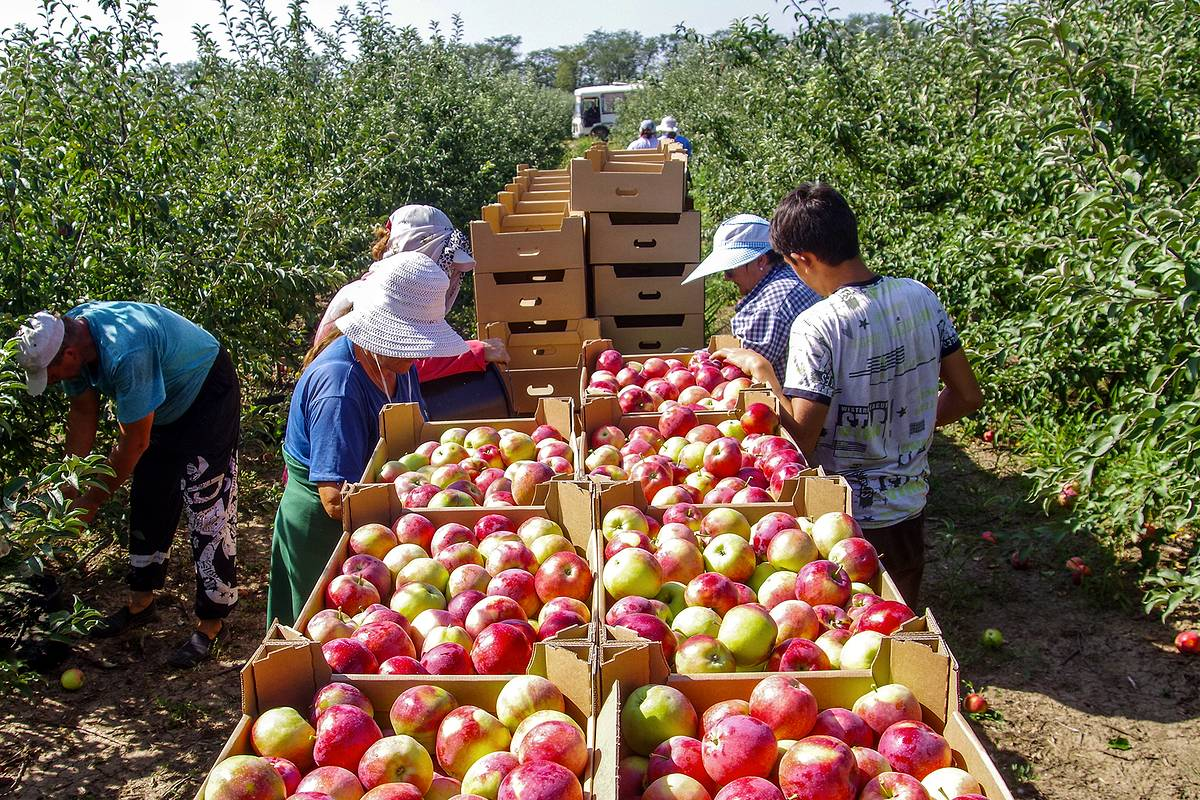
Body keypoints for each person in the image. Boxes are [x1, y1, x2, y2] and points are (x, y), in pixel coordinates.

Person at [715, 184, 983, 605]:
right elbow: (967, 395)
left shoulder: (818, 324)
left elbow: (802, 438)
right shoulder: (921, 298)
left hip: (842, 519)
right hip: (908, 503)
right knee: (900, 617)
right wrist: (903, 431)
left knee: (856, 624)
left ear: (802, 259)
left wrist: (763, 372)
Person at [14, 303, 240, 668]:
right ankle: (141, 603)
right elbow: (82, 413)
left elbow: (134, 443)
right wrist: (68, 490)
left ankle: (212, 623)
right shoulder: (70, 338)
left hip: (204, 394)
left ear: (69, 354)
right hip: (160, 399)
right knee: (149, 492)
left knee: (206, 503)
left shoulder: (125, 351)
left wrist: (91, 502)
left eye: (51, 374)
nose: (51, 380)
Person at [268, 251, 468, 628]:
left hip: (378, 525)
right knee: (322, 635)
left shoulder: (395, 364)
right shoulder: (340, 388)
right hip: (328, 532)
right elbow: (332, 498)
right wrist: (403, 531)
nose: (419, 352)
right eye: (412, 339)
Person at [314, 205, 508, 382]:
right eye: (445, 263)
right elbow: (398, 359)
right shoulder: (368, 301)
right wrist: (475, 352)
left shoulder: (384, 295)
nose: (448, 274)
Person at [682, 214, 820, 383]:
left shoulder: (768, 307)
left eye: (730, 270)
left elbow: (735, 377)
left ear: (761, 260)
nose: (726, 277)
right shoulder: (795, 278)